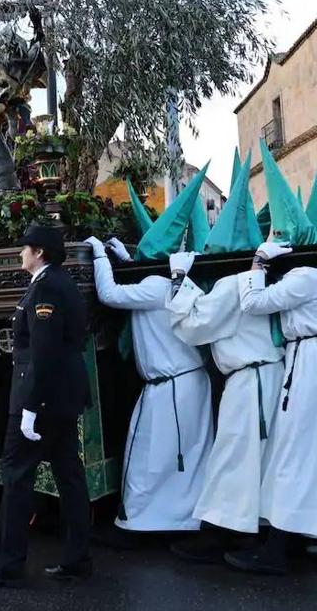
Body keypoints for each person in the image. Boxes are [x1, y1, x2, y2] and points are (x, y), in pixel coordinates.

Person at [226, 142, 317, 578]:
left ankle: (276, 550)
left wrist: (256, 263)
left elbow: (254, 303)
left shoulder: (306, 277)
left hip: (312, 365)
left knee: (295, 452)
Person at [165, 155, 284, 563]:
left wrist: (181, 281)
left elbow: (197, 324)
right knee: (258, 458)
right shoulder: (262, 277)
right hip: (268, 376)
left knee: (235, 457)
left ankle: (225, 533)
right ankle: (253, 528)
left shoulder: (233, 283)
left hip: (248, 381)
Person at [85, 169, 215, 542]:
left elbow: (112, 293)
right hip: (186, 384)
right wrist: (124, 257)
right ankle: (181, 522)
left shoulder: (156, 287)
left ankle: (141, 525)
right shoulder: (170, 283)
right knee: (184, 461)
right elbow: (135, 281)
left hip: (170, 388)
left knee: (146, 459)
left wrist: (97, 254)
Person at [0, 224, 92, 588]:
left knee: (17, 476)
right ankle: (78, 558)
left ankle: (8, 564)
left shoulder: (47, 287)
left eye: (24, 248)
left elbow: (43, 351)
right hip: (61, 398)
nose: (20, 254)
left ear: (38, 252)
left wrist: (32, 407)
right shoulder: (59, 284)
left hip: (41, 400)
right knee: (70, 477)